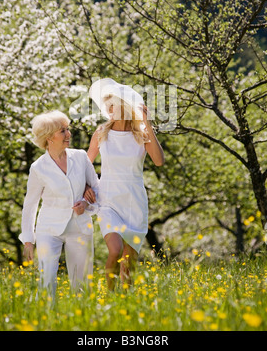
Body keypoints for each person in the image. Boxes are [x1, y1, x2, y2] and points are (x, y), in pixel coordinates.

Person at [85, 78, 165, 290]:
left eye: (113, 106)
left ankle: (122, 305)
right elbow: (84, 165)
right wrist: (85, 186)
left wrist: (147, 122)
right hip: (108, 200)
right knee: (115, 250)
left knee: (129, 265)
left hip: (134, 202)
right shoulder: (102, 133)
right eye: (107, 107)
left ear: (124, 108)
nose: (109, 110)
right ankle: (108, 297)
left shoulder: (142, 134)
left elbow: (159, 161)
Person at [19, 110, 99, 297]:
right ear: (49, 137)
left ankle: (81, 321)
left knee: (82, 285)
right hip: (48, 229)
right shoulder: (38, 167)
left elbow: (97, 187)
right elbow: (30, 204)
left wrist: (86, 202)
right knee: (46, 280)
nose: (68, 134)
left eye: (67, 129)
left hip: (80, 227)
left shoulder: (80, 157)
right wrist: (28, 239)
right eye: (62, 131)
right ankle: (47, 321)